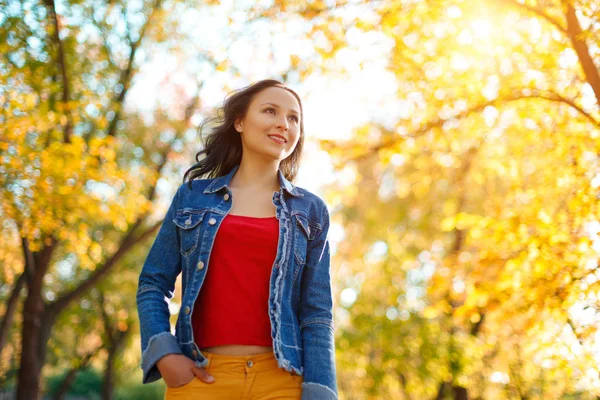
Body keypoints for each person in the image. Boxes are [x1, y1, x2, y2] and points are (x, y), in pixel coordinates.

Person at [136, 79, 338, 400]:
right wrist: (164, 352)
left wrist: (322, 391)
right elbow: (153, 283)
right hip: (202, 377)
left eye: (293, 118)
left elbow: (316, 312)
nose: (283, 124)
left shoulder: (310, 210)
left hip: (283, 381)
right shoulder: (193, 197)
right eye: (270, 110)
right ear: (240, 122)